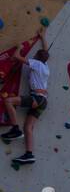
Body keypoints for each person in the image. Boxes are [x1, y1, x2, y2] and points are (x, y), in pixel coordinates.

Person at [2, 32, 50, 166]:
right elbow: (45, 51)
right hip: (43, 101)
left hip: (36, 97)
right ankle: (29, 155)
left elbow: (17, 57)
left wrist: (19, 48)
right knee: (28, 127)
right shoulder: (45, 66)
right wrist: (43, 38)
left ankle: (15, 129)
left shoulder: (36, 63)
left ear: (36, 57)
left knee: (8, 101)